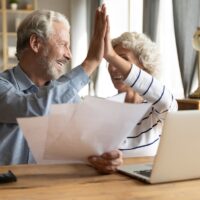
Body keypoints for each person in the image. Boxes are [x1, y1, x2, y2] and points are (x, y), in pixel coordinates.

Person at [0, 5, 123, 173]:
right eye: (63, 45)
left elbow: (89, 142)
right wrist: (90, 62)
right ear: (35, 43)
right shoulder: (3, 86)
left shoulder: (67, 96)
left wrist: (106, 157)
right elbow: (34, 108)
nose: (69, 55)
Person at [102, 31, 178, 157]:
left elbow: (168, 103)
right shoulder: (103, 107)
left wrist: (112, 56)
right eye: (110, 61)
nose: (113, 67)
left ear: (143, 67)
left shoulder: (154, 109)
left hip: (146, 176)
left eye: (122, 60)